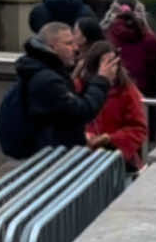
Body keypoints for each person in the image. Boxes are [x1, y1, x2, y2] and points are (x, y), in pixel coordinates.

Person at [14, 21, 116, 149]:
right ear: (52, 47)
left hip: (52, 150)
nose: (76, 48)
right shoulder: (47, 80)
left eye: (74, 42)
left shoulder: (44, 71)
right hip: (51, 156)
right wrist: (102, 79)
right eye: (69, 43)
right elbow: (80, 112)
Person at [76, 39, 148, 171]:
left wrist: (110, 138)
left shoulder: (127, 90)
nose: (111, 68)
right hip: (83, 159)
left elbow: (138, 129)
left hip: (117, 161)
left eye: (113, 63)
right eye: (105, 63)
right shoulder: (77, 87)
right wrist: (86, 135)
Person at [101, 0, 156, 97]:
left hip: (112, 93)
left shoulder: (107, 35)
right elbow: (155, 73)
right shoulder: (149, 38)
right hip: (141, 95)